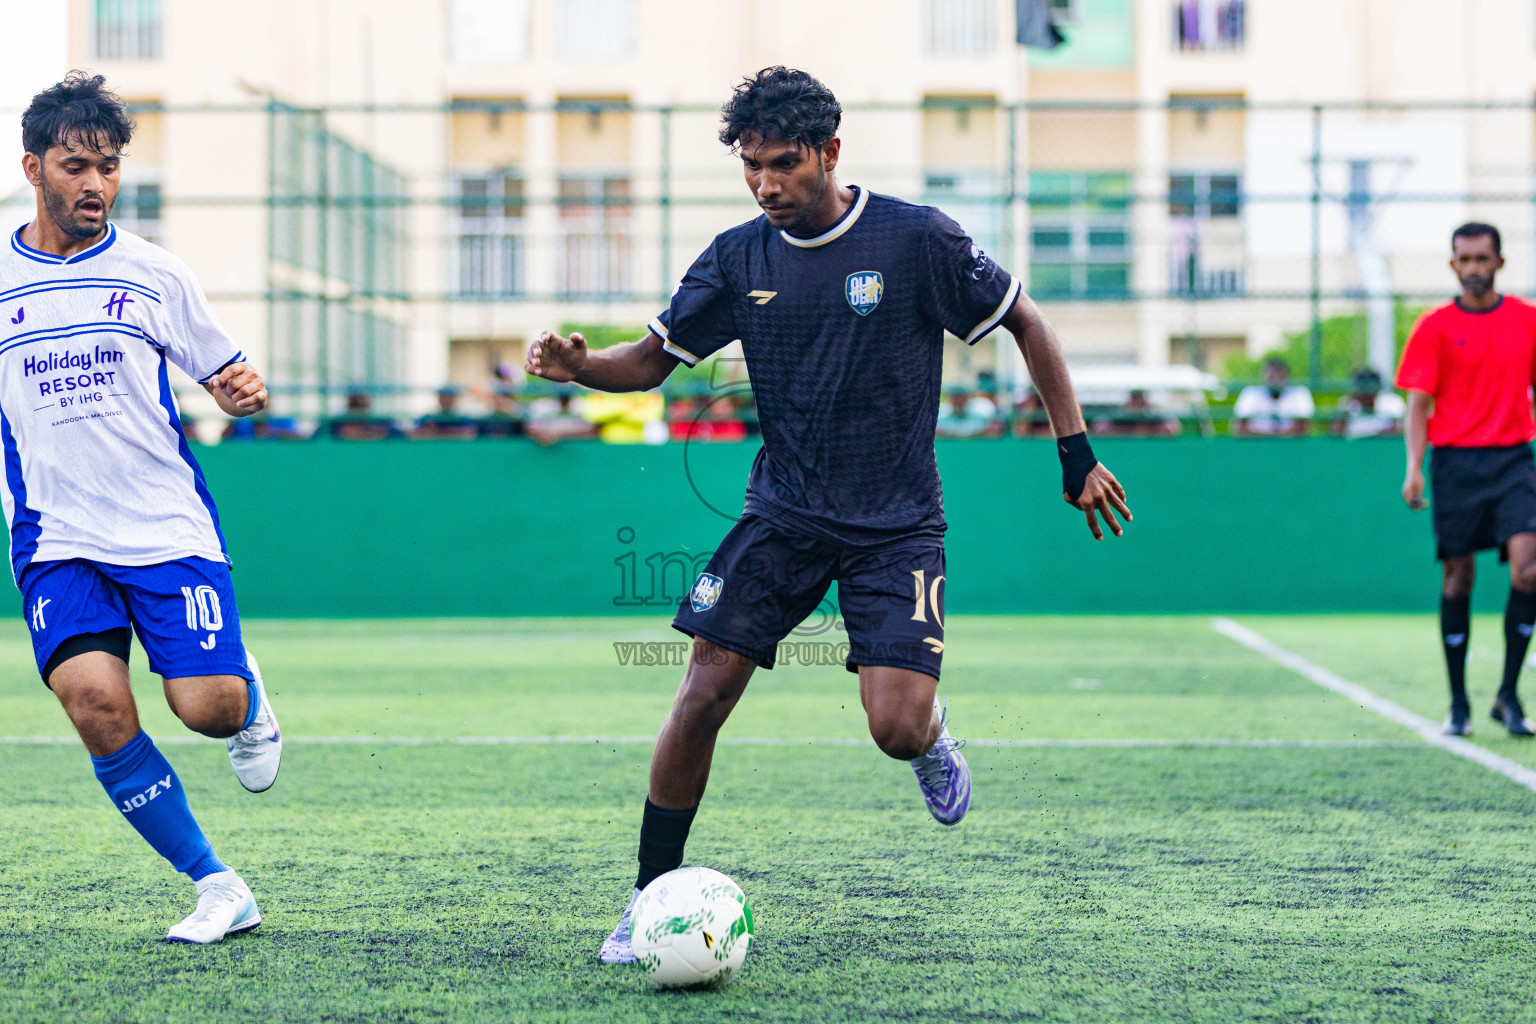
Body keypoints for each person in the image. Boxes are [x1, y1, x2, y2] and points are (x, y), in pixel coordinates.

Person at [524, 67, 1131, 965]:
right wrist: (581, 367)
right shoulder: (738, 258)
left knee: (894, 729)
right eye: (751, 165)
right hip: (783, 515)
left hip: (897, 525)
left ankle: (931, 735)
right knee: (702, 693)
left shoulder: (916, 239)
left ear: (830, 152)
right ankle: (647, 896)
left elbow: (1027, 322)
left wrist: (1075, 453)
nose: (765, 184)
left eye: (783, 164)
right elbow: (651, 361)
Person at [5, 74, 281, 942]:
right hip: (55, 536)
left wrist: (241, 392)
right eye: (75, 166)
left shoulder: (155, 272)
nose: (95, 184)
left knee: (209, 710)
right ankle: (217, 885)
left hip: (163, 525)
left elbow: (229, 376)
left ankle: (244, 689)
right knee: (95, 705)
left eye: (110, 167)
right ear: (33, 168)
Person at [1397, 222, 1536, 738]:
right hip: (1455, 463)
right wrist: (1414, 467)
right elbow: (1418, 404)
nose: (1474, 268)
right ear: (1453, 264)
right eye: (1465, 259)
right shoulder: (1433, 327)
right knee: (1458, 577)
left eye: (1482, 258)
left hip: (1513, 461)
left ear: (1500, 262)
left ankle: (1508, 695)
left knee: (1529, 570)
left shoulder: (1527, 320)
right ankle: (1458, 703)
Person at [1231, 357, 1314, 436]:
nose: (1275, 380)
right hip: (1257, 445)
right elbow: (1240, 428)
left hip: (1292, 445)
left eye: (1279, 376)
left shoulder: (1300, 393)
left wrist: (1271, 437)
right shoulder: (1250, 393)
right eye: (1271, 376)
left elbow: (1303, 427)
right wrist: (1273, 437)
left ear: (1287, 377)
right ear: (1263, 376)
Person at [1334, 368, 1406, 439]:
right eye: (1361, 389)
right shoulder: (1350, 404)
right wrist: (1345, 408)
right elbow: (1336, 431)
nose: (1365, 394)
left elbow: (1400, 429)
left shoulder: (1392, 402)